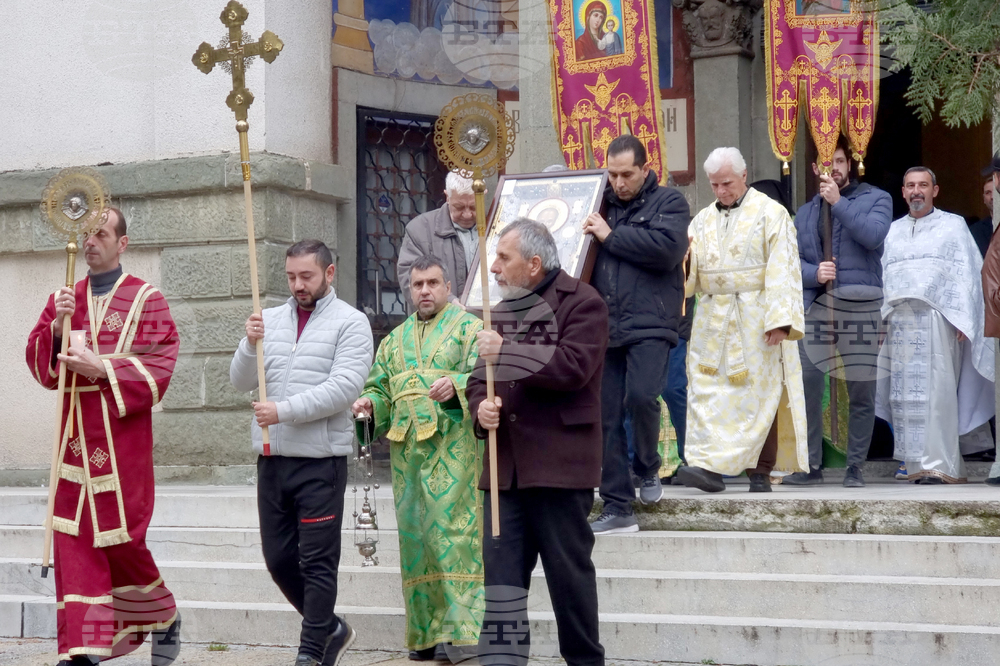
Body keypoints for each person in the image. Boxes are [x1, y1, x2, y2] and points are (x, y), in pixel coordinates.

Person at [25, 207, 182, 666]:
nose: (91, 241)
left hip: (121, 444)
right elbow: (40, 365)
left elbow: (161, 363)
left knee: (122, 543)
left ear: (122, 243)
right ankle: (83, 650)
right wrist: (56, 327)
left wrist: (104, 367)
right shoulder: (65, 296)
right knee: (73, 543)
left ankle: (164, 615)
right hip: (73, 442)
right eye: (86, 234)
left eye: (101, 233)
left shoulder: (146, 299)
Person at [468, 219, 608, 666]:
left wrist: (504, 352)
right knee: (502, 587)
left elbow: (572, 367)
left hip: (558, 469)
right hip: (504, 471)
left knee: (570, 583)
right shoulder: (502, 309)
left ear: (533, 263)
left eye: (502, 258)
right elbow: (477, 381)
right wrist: (480, 408)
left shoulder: (583, 303)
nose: (493, 268)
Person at [230, 240, 373, 666]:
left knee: (317, 561)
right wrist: (247, 342)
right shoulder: (270, 320)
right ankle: (330, 628)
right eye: (291, 276)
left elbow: (343, 388)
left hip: (319, 463)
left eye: (306, 276)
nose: (297, 285)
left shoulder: (352, 323)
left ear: (329, 274)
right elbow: (240, 381)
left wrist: (283, 411)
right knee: (278, 559)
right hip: (272, 459)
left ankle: (311, 652)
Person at [351, 255, 484, 661]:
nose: (424, 291)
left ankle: (462, 635)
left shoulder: (470, 330)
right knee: (416, 542)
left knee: (453, 536)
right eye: (417, 285)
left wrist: (458, 384)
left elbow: (484, 377)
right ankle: (425, 634)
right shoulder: (393, 341)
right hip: (407, 458)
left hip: (455, 453)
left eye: (432, 283)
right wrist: (369, 405)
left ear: (448, 287)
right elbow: (380, 388)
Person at [677, 147, 809, 493]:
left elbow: (784, 267)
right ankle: (709, 468)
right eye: (715, 184)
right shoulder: (702, 219)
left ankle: (761, 471)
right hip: (711, 318)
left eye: (727, 183)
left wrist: (780, 320)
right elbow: (688, 272)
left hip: (755, 316)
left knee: (757, 395)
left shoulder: (771, 213)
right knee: (708, 393)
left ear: (744, 175)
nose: (721, 191)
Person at [584, 133, 690, 533]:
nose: (619, 183)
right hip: (604, 325)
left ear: (646, 169)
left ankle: (647, 467)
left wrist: (611, 236)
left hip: (652, 321)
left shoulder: (670, 203)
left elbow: (668, 251)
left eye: (627, 174)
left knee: (643, 397)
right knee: (605, 414)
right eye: (612, 175)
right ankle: (617, 506)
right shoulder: (599, 205)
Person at [784, 137, 892, 488]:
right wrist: (814, 273)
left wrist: (838, 203)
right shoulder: (805, 213)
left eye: (840, 161)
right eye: (827, 163)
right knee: (809, 384)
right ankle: (810, 464)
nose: (834, 168)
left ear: (851, 163)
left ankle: (855, 466)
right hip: (816, 305)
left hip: (860, 303)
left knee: (861, 387)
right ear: (815, 168)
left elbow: (873, 235)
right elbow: (790, 263)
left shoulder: (877, 198)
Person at [876, 167, 995, 484]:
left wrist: (965, 318)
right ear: (903, 192)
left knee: (938, 396)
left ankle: (941, 465)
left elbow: (969, 274)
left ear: (935, 190)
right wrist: (880, 322)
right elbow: (883, 278)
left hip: (938, 321)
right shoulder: (892, 231)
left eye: (923, 185)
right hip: (900, 323)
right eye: (911, 186)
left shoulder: (953, 226)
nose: (917, 191)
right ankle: (913, 464)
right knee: (903, 398)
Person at [397, 173, 482, 306]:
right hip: (439, 321)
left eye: (473, 207)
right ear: (447, 197)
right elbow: (410, 279)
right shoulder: (419, 229)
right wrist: (449, 301)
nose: (467, 215)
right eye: (459, 207)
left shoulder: (497, 226)